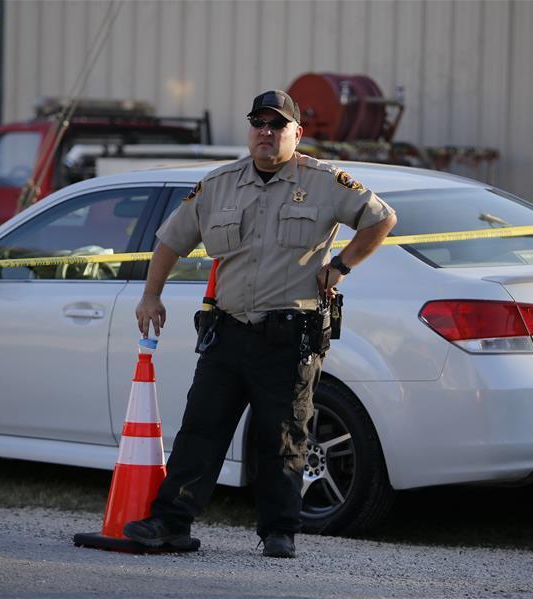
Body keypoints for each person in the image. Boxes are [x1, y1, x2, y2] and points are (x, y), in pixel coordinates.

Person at [125, 90, 396, 558]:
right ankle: (170, 523)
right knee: (200, 431)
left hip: (288, 336)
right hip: (227, 331)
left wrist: (340, 267)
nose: (266, 132)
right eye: (259, 123)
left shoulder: (324, 181)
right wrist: (151, 295)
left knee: (284, 437)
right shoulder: (219, 184)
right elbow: (170, 240)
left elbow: (381, 219)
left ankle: (279, 531)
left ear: (297, 133)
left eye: (277, 124)